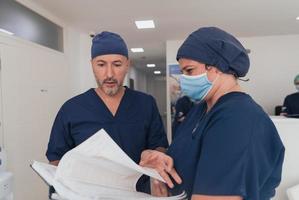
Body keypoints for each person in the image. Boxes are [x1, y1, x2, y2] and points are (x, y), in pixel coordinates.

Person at [139, 27, 285, 200]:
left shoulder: (238, 118)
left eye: (189, 70)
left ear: (217, 66)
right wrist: (153, 157)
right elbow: (182, 155)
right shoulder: (201, 110)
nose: (184, 79)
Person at [46, 31, 168, 193]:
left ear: (127, 64)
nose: (109, 74)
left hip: (137, 194)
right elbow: (56, 158)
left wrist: (155, 157)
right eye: (101, 64)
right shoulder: (72, 109)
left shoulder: (145, 104)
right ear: (92, 65)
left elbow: (159, 146)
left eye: (117, 64)